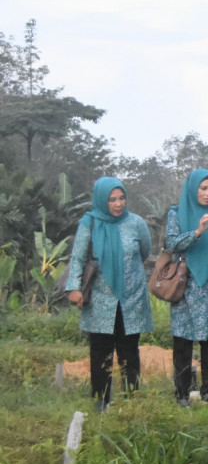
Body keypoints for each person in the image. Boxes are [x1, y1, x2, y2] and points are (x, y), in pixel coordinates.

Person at [65, 177, 153, 412]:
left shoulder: (136, 223)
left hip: (130, 296)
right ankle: (101, 399)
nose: (118, 204)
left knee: (129, 349)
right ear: (102, 201)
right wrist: (74, 287)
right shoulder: (89, 224)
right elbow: (78, 258)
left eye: (121, 198)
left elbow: (144, 251)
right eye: (112, 199)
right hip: (100, 297)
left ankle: (131, 399)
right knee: (100, 349)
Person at [166, 168, 208, 406]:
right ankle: (182, 393)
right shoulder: (176, 213)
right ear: (193, 189)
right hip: (186, 283)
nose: (207, 193)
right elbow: (172, 244)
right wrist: (198, 231)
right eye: (203, 188)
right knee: (183, 340)